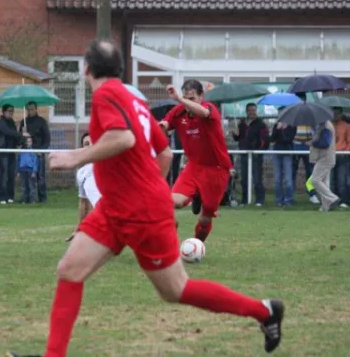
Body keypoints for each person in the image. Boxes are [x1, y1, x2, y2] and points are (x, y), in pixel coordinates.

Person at [33, 40, 283, 357]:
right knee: (69, 269)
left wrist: (76, 157)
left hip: (139, 210)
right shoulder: (132, 100)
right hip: (116, 207)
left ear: (86, 69)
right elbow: (163, 150)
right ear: (120, 69)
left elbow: (122, 138)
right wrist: (147, 184)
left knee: (175, 289)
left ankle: (264, 311)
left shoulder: (107, 96)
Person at [160, 79, 233, 243]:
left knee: (205, 218)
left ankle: (197, 245)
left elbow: (202, 112)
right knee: (167, 202)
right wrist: (159, 127)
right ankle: (169, 245)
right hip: (194, 166)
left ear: (201, 96)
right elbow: (165, 126)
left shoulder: (209, 109)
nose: (187, 102)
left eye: (191, 98)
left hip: (217, 169)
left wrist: (179, 98)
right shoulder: (178, 111)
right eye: (185, 97)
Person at [66, 132, 102, 242]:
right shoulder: (81, 173)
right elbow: (83, 202)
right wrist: (79, 229)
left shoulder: (108, 164)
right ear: (82, 149)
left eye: (93, 142)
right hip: (105, 217)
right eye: (86, 144)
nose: (90, 146)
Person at [231, 103, 269, 206]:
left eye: (253, 110)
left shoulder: (261, 124)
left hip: (255, 155)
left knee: (257, 178)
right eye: (249, 110)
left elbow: (265, 140)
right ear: (246, 111)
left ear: (256, 111)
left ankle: (259, 200)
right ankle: (245, 200)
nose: (251, 112)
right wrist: (235, 134)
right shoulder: (242, 123)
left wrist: (258, 151)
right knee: (244, 179)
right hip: (243, 154)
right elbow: (238, 138)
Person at [19, 101, 51, 203]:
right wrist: (22, 134)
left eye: (32, 109)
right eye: (28, 109)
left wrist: (41, 151)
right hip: (26, 154)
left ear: (36, 109)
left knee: (40, 177)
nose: (30, 111)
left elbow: (47, 139)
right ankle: (28, 198)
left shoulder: (42, 121)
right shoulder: (24, 122)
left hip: (38, 152)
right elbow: (19, 140)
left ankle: (42, 198)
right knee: (26, 177)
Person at [0, 105, 24, 204]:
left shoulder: (12, 123)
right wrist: (19, 134)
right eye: (9, 111)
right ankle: (1, 197)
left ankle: (10, 196)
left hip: (11, 152)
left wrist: (20, 132)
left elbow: (15, 136)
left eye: (12, 111)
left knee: (11, 174)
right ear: (3, 112)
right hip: (3, 152)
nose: (11, 113)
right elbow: (7, 132)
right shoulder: (0, 122)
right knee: (4, 174)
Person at [309, 120, 341, 212]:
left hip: (325, 158)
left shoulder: (326, 127)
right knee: (324, 182)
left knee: (315, 180)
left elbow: (325, 143)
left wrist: (312, 142)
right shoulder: (324, 125)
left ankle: (332, 198)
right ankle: (325, 206)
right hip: (326, 158)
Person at [330, 108, 350, 208]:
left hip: (342, 156)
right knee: (330, 181)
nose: (336, 115)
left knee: (342, 180)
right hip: (329, 156)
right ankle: (332, 200)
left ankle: (343, 201)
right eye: (334, 113)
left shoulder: (346, 126)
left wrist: (346, 151)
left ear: (341, 114)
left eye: (338, 113)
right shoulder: (326, 125)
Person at [270, 118, 295, 207]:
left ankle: (288, 200)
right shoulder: (276, 125)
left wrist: (282, 130)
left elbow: (288, 140)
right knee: (277, 179)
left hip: (287, 153)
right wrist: (277, 129)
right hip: (277, 153)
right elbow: (272, 139)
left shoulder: (292, 126)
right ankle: (279, 200)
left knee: (288, 180)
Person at [292, 124, 320, 204]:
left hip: (309, 147)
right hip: (296, 146)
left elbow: (317, 132)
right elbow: (290, 131)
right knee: (293, 172)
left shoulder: (312, 119)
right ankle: (290, 196)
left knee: (311, 172)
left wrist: (312, 141)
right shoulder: (295, 118)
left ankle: (312, 195)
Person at [17, 136, 39, 204]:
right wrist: (17, 171)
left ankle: (32, 200)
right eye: (27, 141)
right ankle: (24, 199)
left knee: (31, 186)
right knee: (23, 186)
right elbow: (18, 161)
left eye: (30, 141)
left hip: (30, 170)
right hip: (22, 170)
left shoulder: (32, 151)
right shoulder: (21, 151)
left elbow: (35, 161)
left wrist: (34, 171)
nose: (28, 143)